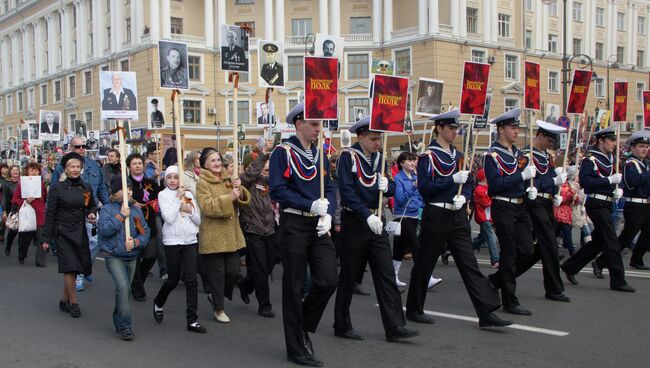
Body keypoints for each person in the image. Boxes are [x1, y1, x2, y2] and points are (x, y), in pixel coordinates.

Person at [406, 110, 510, 329]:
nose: (455, 132)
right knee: (425, 263)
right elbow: (425, 188)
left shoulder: (460, 156)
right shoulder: (428, 157)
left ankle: (486, 311)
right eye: (451, 129)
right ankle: (414, 308)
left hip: (458, 215)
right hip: (437, 214)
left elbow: (470, 182)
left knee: (469, 263)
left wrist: (465, 195)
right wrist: (450, 180)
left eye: (456, 129)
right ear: (440, 129)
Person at [334, 116, 419, 341]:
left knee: (386, 273)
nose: (377, 143)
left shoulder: (379, 158)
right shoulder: (347, 156)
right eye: (372, 139)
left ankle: (395, 327)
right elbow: (347, 191)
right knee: (349, 275)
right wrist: (365, 215)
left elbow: (390, 186)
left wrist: (387, 186)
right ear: (360, 137)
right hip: (356, 221)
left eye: (378, 139)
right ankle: (341, 323)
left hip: (377, 220)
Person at [269, 103, 338, 367]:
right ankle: (296, 349)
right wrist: (308, 204)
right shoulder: (282, 152)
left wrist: (328, 212)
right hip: (294, 224)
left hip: (318, 225)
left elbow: (329, 187)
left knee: (328, 279)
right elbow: (277, 190)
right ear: (299, 124)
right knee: (294, 286)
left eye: (319, 125)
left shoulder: (320, 153)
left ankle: (303, 326)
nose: (318, 129)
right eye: (314, 124)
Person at [491, 120, 570, 303]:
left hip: (547, 203)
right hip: (533, 203)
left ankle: (498, 279)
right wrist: (553, 182)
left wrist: (556, 191)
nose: (551, 144)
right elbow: (530, 183)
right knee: (549, 245)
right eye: (549, 140)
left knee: (536, 249)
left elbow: (549, 181)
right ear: (539, 135)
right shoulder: (527, 155)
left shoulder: (546, 156)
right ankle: (554, 289)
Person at [561, 127, 636, 292]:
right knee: (612, 241)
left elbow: (615, 180)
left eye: (614, 141)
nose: (614, 144)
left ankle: (571, 266)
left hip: (607, 203)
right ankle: (618, 280)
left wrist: (618, 188)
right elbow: (586, 182)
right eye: (611, 140)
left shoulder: (610, 158)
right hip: (596, 203)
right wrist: (609, 181)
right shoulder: (591, 159)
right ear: (601, 140)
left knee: (599, 241)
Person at [484, 108, 536, 316]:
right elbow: (495, 184)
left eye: (517, 128)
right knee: (509, 253)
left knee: (527, 250)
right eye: (512, 128)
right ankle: (509, 300)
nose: (516, 131)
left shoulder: (519, 153)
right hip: (503, 206)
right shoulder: (492, 155)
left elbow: (524, 176)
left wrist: (530, 187)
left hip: (520, 206)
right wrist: (521, 177)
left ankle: (497, 280)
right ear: (501, 129)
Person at [196, 148, 250, 323]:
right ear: (204, 164)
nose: (217, 163)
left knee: (233, 271)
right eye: (212, 161)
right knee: (217, 275)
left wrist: (239, 190)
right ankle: (219, 308)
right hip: (213, 235)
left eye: (218, 160)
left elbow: (243, 202)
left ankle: (216, 296)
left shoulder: (229, 178)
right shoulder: (202, 183)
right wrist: (229, 197)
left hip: (231, 235)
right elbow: (207, 207)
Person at [50, 136, 110, 291]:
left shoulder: (94, 165)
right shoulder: (61, 166)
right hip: (70, 213)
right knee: (77, 244)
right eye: (77, 147)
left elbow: (101, 188)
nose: (81, 149)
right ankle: (79, 275)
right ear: (71, 147)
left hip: (90, 210)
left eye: (84, 146)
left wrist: (109, 208)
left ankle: (85, 265)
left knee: (96, 241)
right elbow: (55, 190)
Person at [42, 152, 97, 318]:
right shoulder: (57, 188)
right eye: (72, 166)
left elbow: (91, 205)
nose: (75, 169)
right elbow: (50, 213)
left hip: (80, 232)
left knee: (77, 268)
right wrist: (46, 238)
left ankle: (64, 299)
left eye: (78, 167)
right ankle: (74, 302)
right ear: (65, 169)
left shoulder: (86, 187)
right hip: (63, 233)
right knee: (69, 267)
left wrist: (92, 213)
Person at [152, 166, 207, 333]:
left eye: (176, 177)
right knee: (173, 280)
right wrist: (177, 200)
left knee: (191, 280)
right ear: (165, 179)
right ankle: (159, 302)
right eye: (169, 177)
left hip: (190, 240)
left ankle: (192, 320)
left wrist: (189, 210)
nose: (173, 180)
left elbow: (198, 220)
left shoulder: (188, 194)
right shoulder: (163, 195)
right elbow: (168, 218)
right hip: (172, 242)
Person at [99, 175, 150, 340]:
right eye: (123, 188)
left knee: (125, 291)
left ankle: (118, 318)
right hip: (114, 256)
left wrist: (136, 242)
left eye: (129, 188)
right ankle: (126, 325)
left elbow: (145, 231)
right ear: (115, 192)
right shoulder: (107, 209)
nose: (128, 191)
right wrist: (121, 216)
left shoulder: (136, 210)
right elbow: (105, 230)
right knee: (122, 287)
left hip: (131, 256)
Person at [591, 130, 650, 274]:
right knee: (626, 238)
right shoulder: (630, 164)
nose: (644, 149)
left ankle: (637, 258)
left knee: (648, 233)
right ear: (633, 148)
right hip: (635, 204)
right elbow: (632, 183)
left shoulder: (644, 164)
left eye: (646, 147)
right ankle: (601, 261)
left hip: (646, 204)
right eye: (641, 146)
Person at [238, 139, 277, 318]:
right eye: (263, 165)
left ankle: (246, 284)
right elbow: (252, 172)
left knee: (268, 265)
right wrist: (263, 154)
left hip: (269, 229)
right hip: (253, 229)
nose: (265, 167)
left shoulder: (268, 182)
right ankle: (264, 305)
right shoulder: (245, 182)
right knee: (261, 269)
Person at [125, 153, 161, 302]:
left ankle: (136, 281)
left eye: (140, 163)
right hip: (133, 225)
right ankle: (138, 289)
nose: (138, 166)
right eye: (134, 163)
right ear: (129, 167)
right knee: (136, 257)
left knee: (151, 255)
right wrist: (131, 202)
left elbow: (161, 197)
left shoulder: (151, 183)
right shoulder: (125, 183)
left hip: (149, 223)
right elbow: (116, 196)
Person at [392, 151, 423, 286]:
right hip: (403, 216)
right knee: (415, 245)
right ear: (401, 163)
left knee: (400, 248)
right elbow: (400, 199)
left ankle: (393, 275)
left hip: (415, 214)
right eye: (409, 160)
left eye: (414, 160)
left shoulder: (416, 176)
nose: (413, 163)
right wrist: (413, 187)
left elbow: (420, 197)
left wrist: (422, 205)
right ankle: (424, 276)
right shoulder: (398, 178)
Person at [12, 163, 48, 266]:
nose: (34, 172)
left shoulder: (42, 184)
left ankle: (40, 261)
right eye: (31, 170)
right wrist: (25, 201)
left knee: (41, 238)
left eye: (36, 170)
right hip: (27, 214)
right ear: (27, 172)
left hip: (40, 214)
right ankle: (22, 254)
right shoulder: (21, 184)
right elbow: (15, 199)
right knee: (25, 239)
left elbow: (45, 198)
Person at [471, 168, 499, 268]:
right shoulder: (479, 190)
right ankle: (495, 260)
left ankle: (463, 251)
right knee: (492, 238)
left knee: (481, 239)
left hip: (488, 217)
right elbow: (487, 203)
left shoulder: (487, 187)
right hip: (484, 218)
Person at [3, 165, 20, 256]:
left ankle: (21, 252)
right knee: (14, 230)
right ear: (10, 172)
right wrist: (5, 211)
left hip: (23, 207)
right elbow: (5, 198)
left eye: (17, 170)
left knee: (24, 231)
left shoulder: (22, 181)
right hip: (13, 209)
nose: (15, 172)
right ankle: (8, 246)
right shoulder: (7, 183)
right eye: (13, 171)